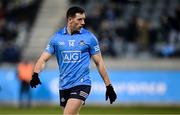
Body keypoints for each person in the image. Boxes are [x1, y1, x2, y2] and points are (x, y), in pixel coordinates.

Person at [30, 6, 117, 115]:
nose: (83, 22)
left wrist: (109, 86)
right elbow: (43, 59)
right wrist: (35, 74)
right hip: (64, 85)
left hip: (82, 83)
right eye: (79, 19)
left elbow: (99, 62)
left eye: (84, 19)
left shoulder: (89, 38)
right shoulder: (57, 38)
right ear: (70, 19)